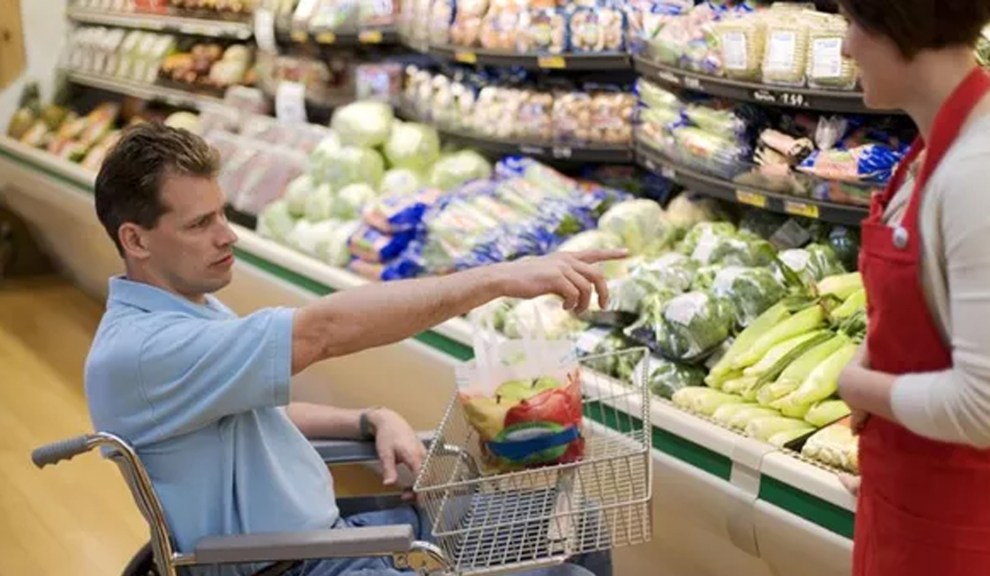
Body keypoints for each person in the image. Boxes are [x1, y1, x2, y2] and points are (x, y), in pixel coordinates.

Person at [85, 123, 623, 576]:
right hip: (299, 565)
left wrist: (367, 417)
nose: (229, 236)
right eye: (201, 224)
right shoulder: (146, 350)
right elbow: (325, 330)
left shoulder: (178, 308)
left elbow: (247, 412)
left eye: (222, 214)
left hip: (337, 538)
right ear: (136, 240)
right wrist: (497, 279)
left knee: (578, 516)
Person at [833, 1, 990, 575]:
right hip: (911, 511)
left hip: (967, 536)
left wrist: (858, 385)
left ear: (902, 27)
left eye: (855, 22)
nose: (845, 47)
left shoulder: (985, 170)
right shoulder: (937, 150)